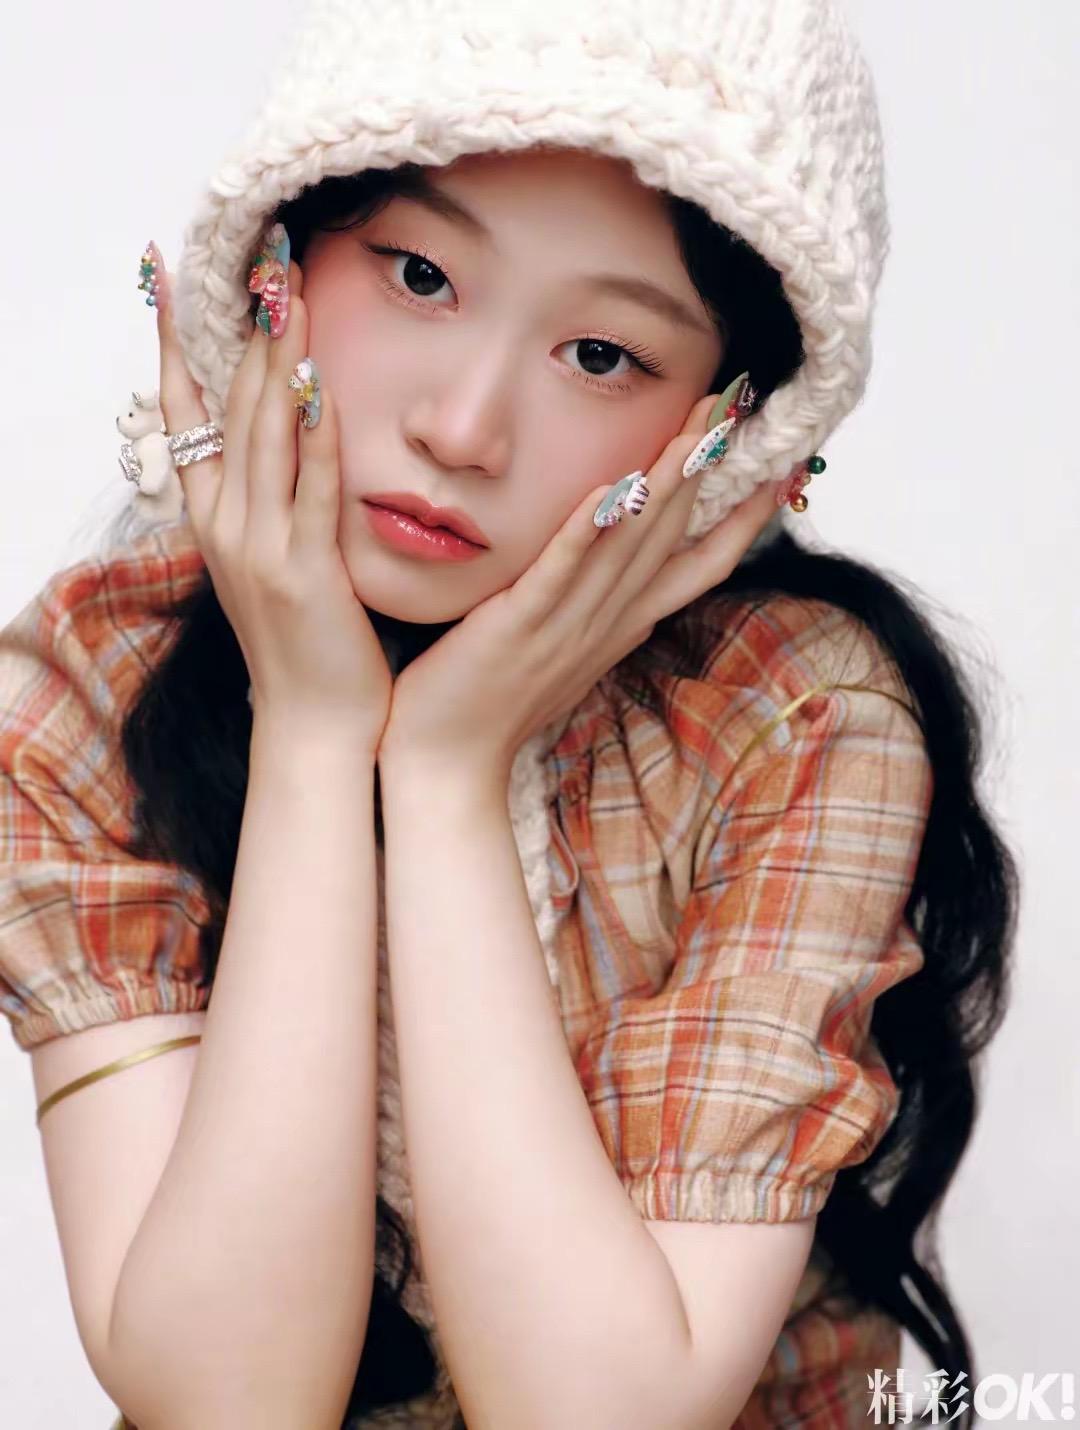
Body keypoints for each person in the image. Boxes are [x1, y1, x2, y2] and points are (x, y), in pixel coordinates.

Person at [0, 3, 1017, 1427]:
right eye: (420, 273)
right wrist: (309, 737)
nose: (463, 428)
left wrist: (445, 776)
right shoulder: (97, 675)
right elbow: (226, 1401)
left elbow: (595, 1410)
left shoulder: (791, 720)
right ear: (280, 261)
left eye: (601, 355)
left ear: (730, 433)